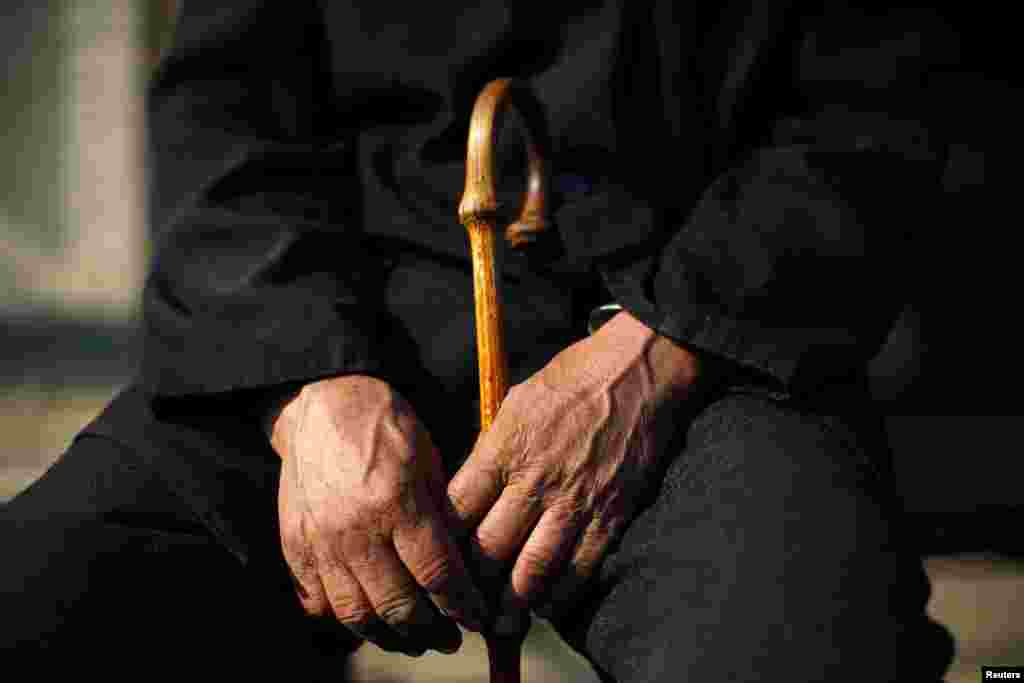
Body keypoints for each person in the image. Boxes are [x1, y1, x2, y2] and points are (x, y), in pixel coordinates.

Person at [3, 1, 963, 680]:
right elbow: (224, 99)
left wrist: (659, 353)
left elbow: (874, 106)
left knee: (806, 649)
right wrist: (306, 387)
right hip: (334, 319)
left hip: (697, 339)